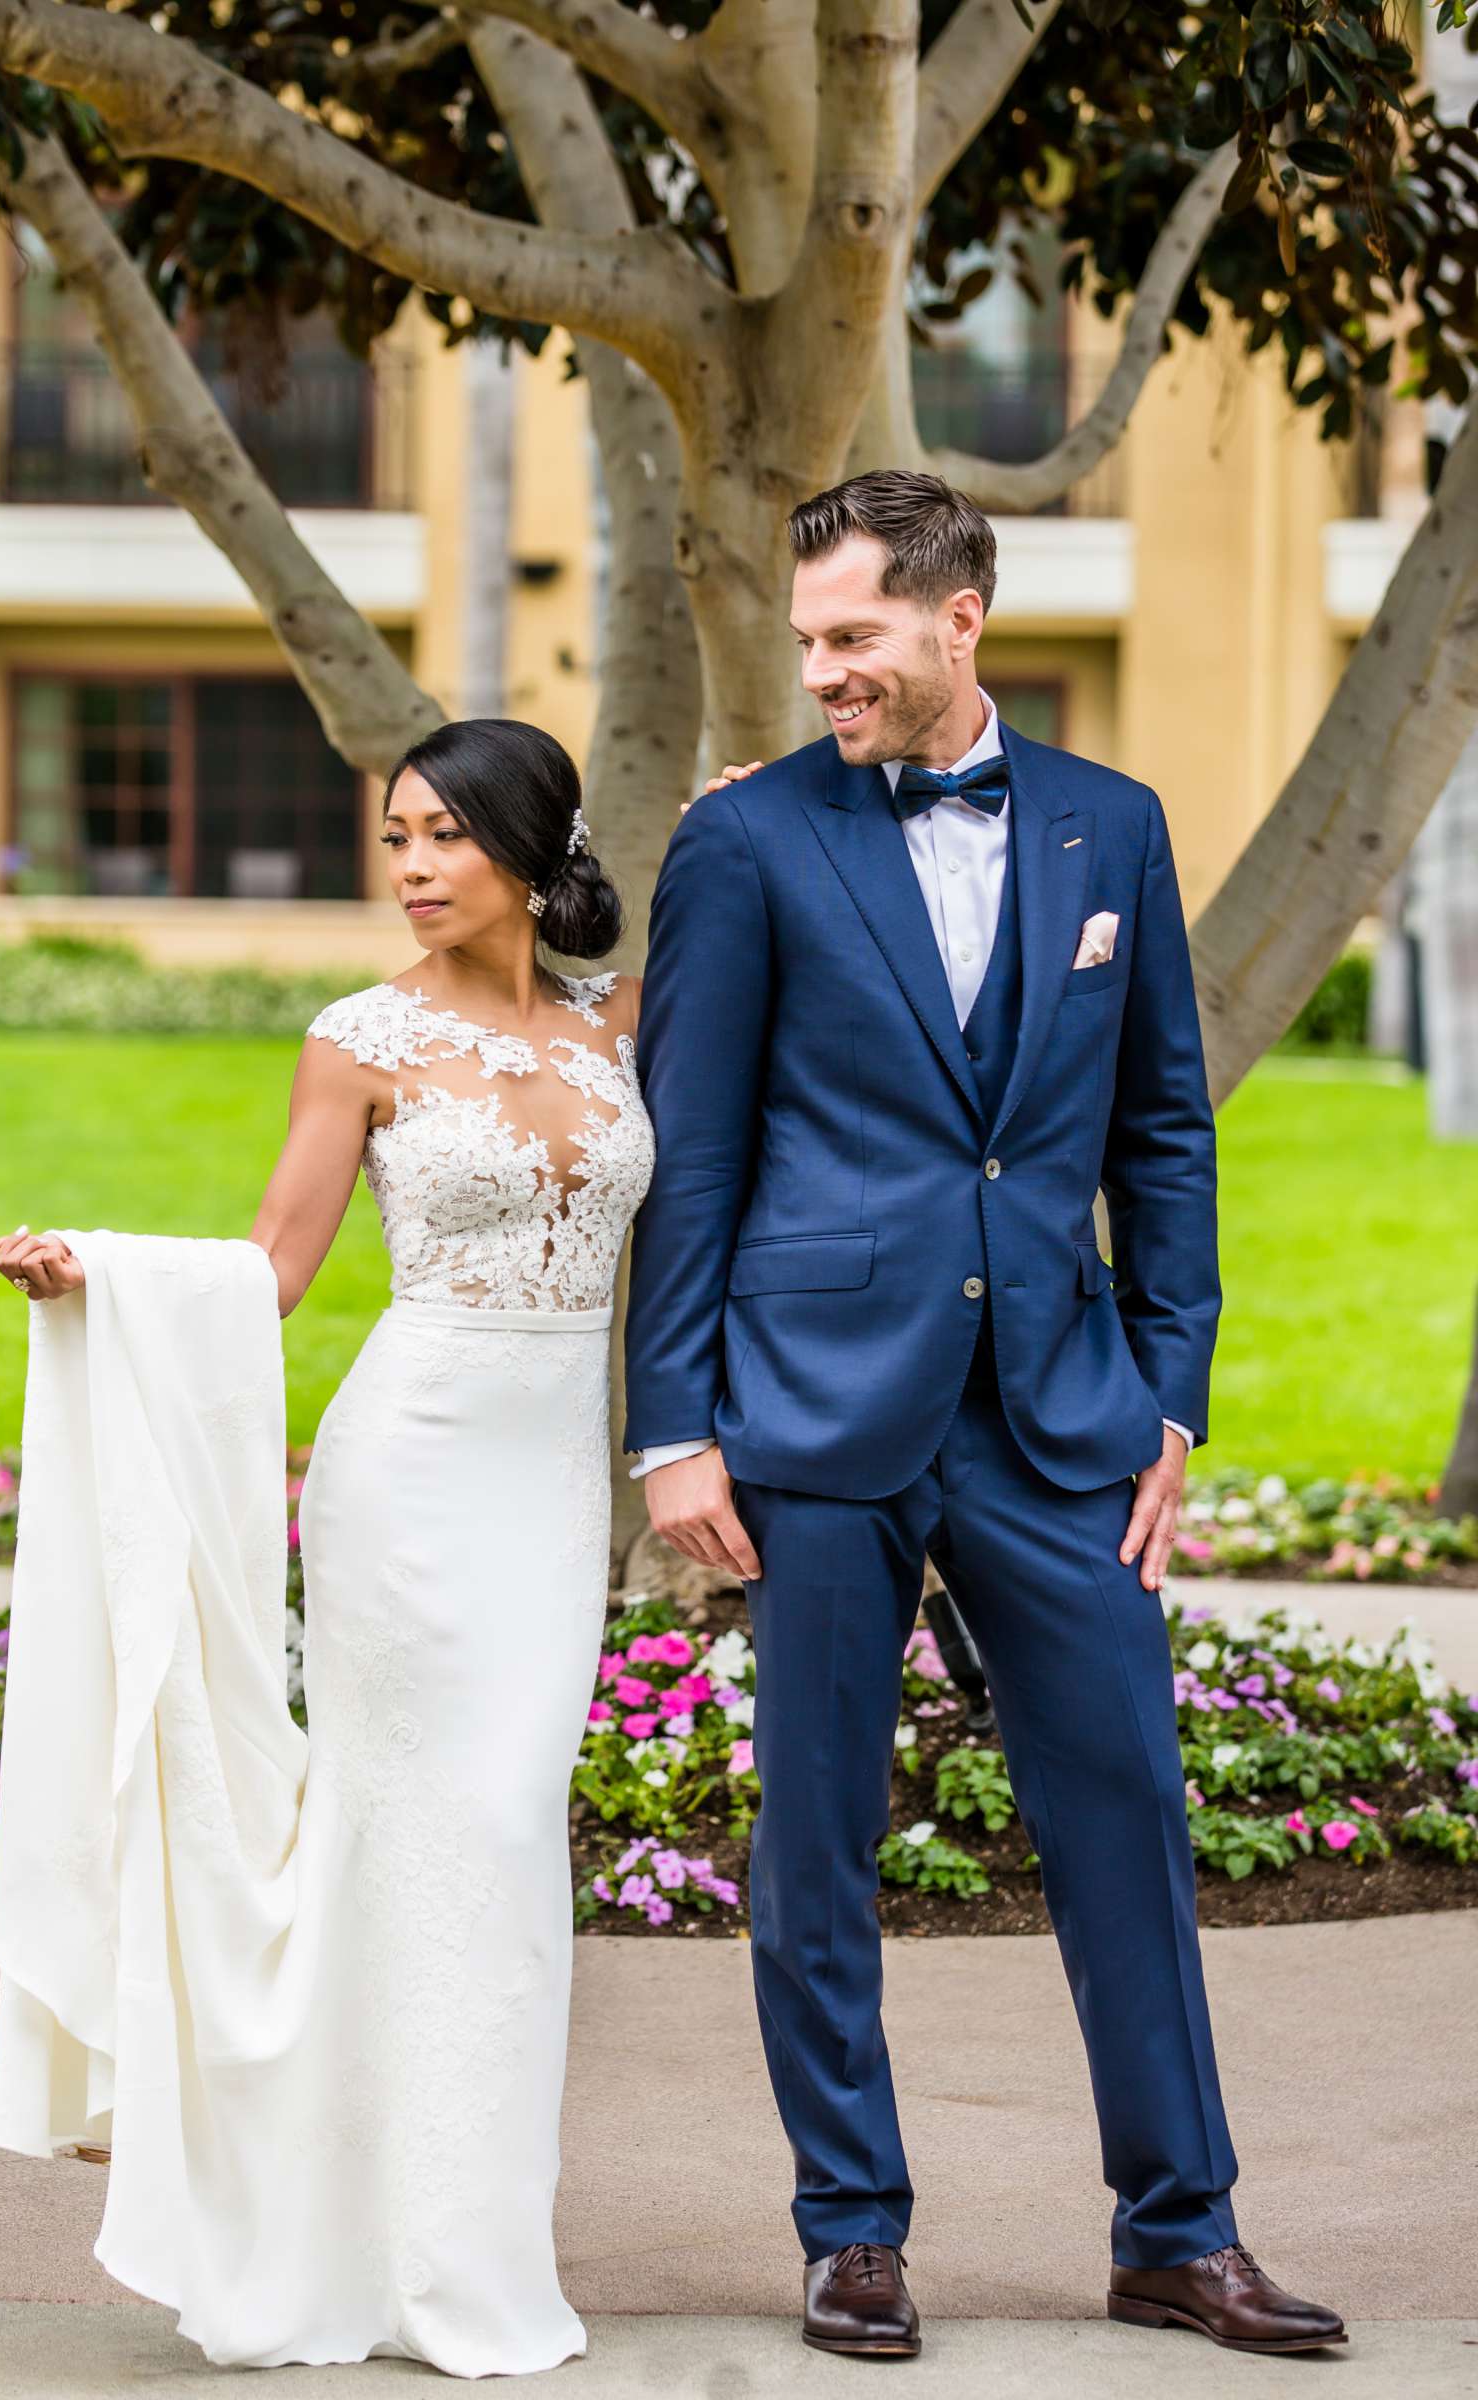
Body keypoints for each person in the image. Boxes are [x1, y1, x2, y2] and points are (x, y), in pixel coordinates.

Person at [624, 469, 1347, 2362]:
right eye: (809, 644)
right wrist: (672, 1426)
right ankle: (851, 2228)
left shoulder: (1116, 829)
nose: (824, 674)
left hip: (1061, 1418)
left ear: (961, 623)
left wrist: (1172, 1393)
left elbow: (1163, 1128)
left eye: (853, 638)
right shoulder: (747, 842)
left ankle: (1179, 2229)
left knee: (1128, 1815)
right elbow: (690, 1153)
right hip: (815, 1411)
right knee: (818, 1842)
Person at [0, 717, 652, 2378]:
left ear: (532, 846)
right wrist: (102, 1275)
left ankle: (468, 2245)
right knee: (443, 1837)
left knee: (503, 1855)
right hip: (409, 1482)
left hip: (552, 1493)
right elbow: (276, 1271)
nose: (415, 869)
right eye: (396, 838)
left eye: (445, 837)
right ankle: (355, 2251)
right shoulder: (357, 1040)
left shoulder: (624, 1029)